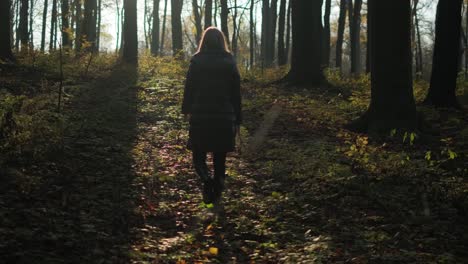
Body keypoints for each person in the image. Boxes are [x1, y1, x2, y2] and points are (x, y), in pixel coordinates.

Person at [182, 27, 242, 205]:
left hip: (201, 116)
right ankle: (217, 191)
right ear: (221, 41)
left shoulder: (197, 61)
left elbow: (189, 88)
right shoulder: (230, 61)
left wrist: (186, 110)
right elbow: (235, 93)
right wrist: (238, 118)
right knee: (219, 157)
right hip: (224, 117)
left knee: (198, 155)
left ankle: (207, 181)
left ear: (204, 41)